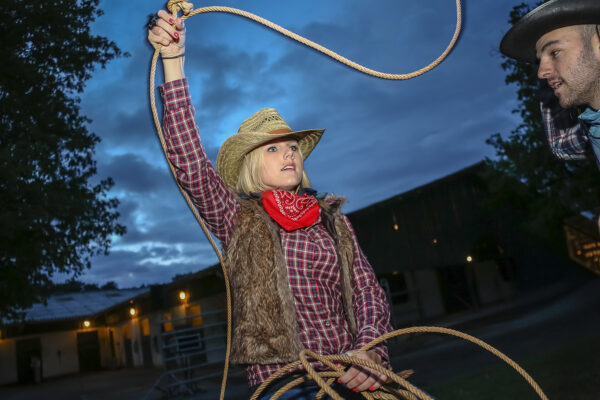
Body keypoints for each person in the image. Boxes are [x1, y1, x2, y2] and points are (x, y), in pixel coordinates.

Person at [147, 9, 392, 399]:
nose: (289, 154)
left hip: (348, 374)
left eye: (293, 146)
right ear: (251, 166)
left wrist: (371, 351)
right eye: (274, 148)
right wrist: (174, 62)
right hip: (283, 384)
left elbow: (366, 290)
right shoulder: (236, 217)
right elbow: (191, 163)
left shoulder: (330, 218)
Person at [500, 0, 600, 167]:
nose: (540, 73)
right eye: (539, 61)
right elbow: (560, 145)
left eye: (554, 52)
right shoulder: (594, 129)